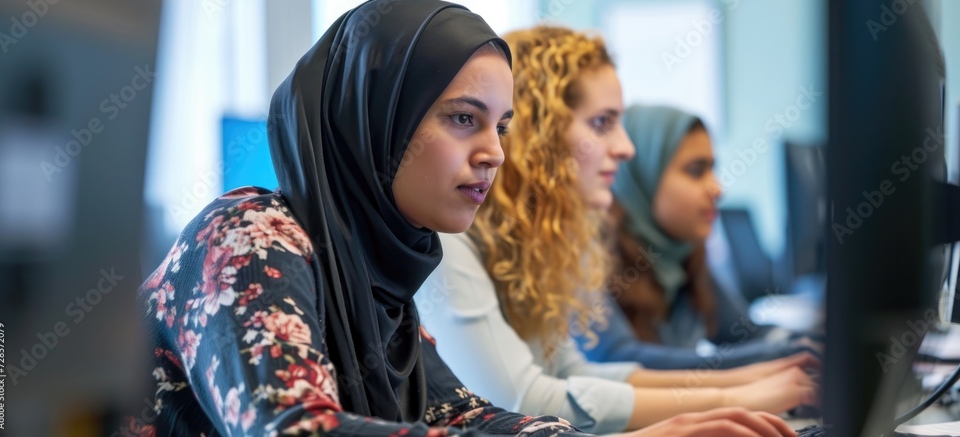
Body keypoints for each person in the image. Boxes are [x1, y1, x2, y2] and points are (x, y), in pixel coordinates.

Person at [131, 2, 794, 436]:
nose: (495, 152)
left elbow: (464, 411)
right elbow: (297, 429)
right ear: (376, 118)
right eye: (462, 118)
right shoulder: (250, 236)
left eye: (501, 126)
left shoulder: (377, 277)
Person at [415, 26, 816, 435]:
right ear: (542, 135)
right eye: (603, 123)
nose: (626, 148)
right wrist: (732, 397)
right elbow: (522, 400)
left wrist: (744, 387)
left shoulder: (547, 244)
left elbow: (574, 372)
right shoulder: (451, 237)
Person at [574, 105, 819, 370]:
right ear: (642, 176)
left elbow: (745, 334)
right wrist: (792, 354)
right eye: (696, 170)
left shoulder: (682, 252)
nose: (717, 188)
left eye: (713, 169)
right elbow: (619, 358)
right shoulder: (588, 256)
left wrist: (816, 342)